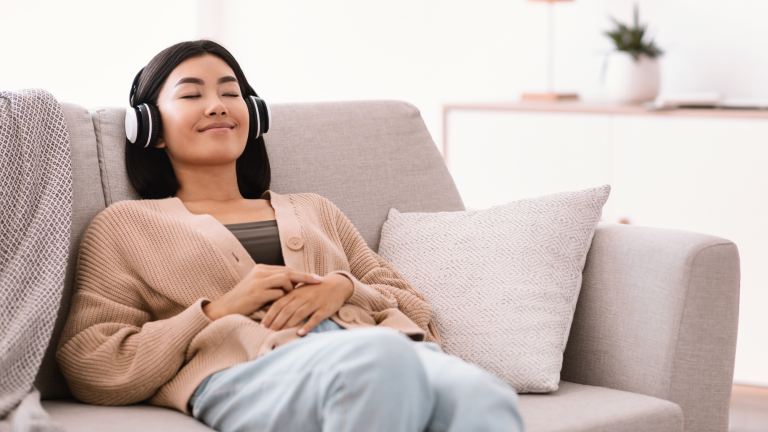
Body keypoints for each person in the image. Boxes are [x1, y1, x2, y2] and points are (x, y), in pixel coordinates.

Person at [56, 39, 524, 432]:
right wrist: (218, 311)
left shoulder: (314, 209)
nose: (217, 104)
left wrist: (344, 286)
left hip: (374, 348)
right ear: (151, 128)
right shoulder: (124, 227)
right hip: (246, 370)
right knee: (380, 362)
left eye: (230, 93)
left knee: (481, 393)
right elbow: (90, 361)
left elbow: (415, 308)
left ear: (253, 114)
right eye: (191, 95)